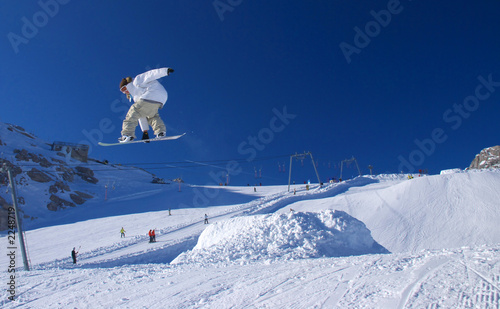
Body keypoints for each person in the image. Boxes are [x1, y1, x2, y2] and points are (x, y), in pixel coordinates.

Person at [118, 67, 174, 143]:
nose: (125, 92)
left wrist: (165, 71)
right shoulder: (136, 97)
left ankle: (127, 134)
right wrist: (145, 132)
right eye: (123, 92)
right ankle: (160, 132)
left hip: (152, 93)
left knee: (132, 112)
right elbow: (141, 115)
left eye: (124, 89)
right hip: (160, 99)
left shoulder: (137, 81)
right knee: (152, 116)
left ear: (128, 84)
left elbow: (150, 74)